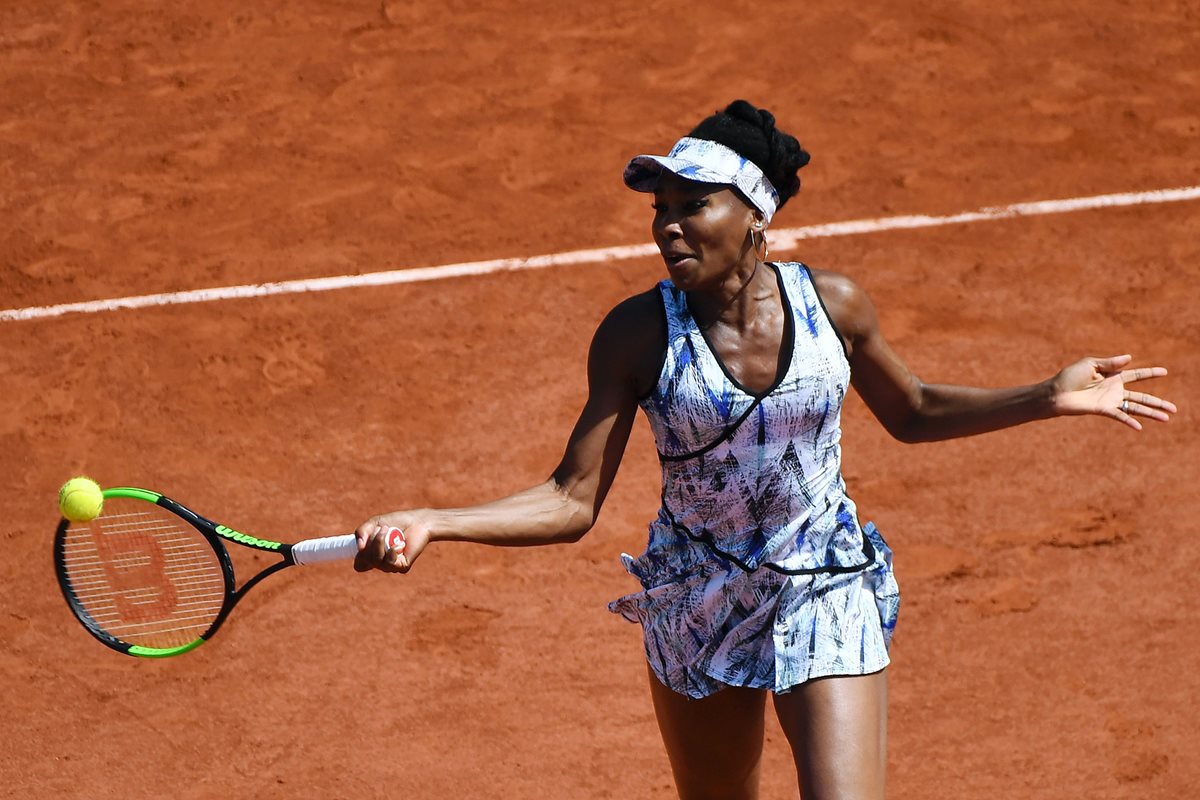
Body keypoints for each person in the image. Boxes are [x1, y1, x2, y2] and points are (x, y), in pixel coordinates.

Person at [352, 100, 1176, 800]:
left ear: (755, 215)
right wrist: (434, 519)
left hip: (826, 580)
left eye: (691, 204)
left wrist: (1049, 394)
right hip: (698, 595)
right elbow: (571, 500)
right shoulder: (637, 334)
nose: (667, 226)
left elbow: (914, 409)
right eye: (658, 208)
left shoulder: (835, 308)